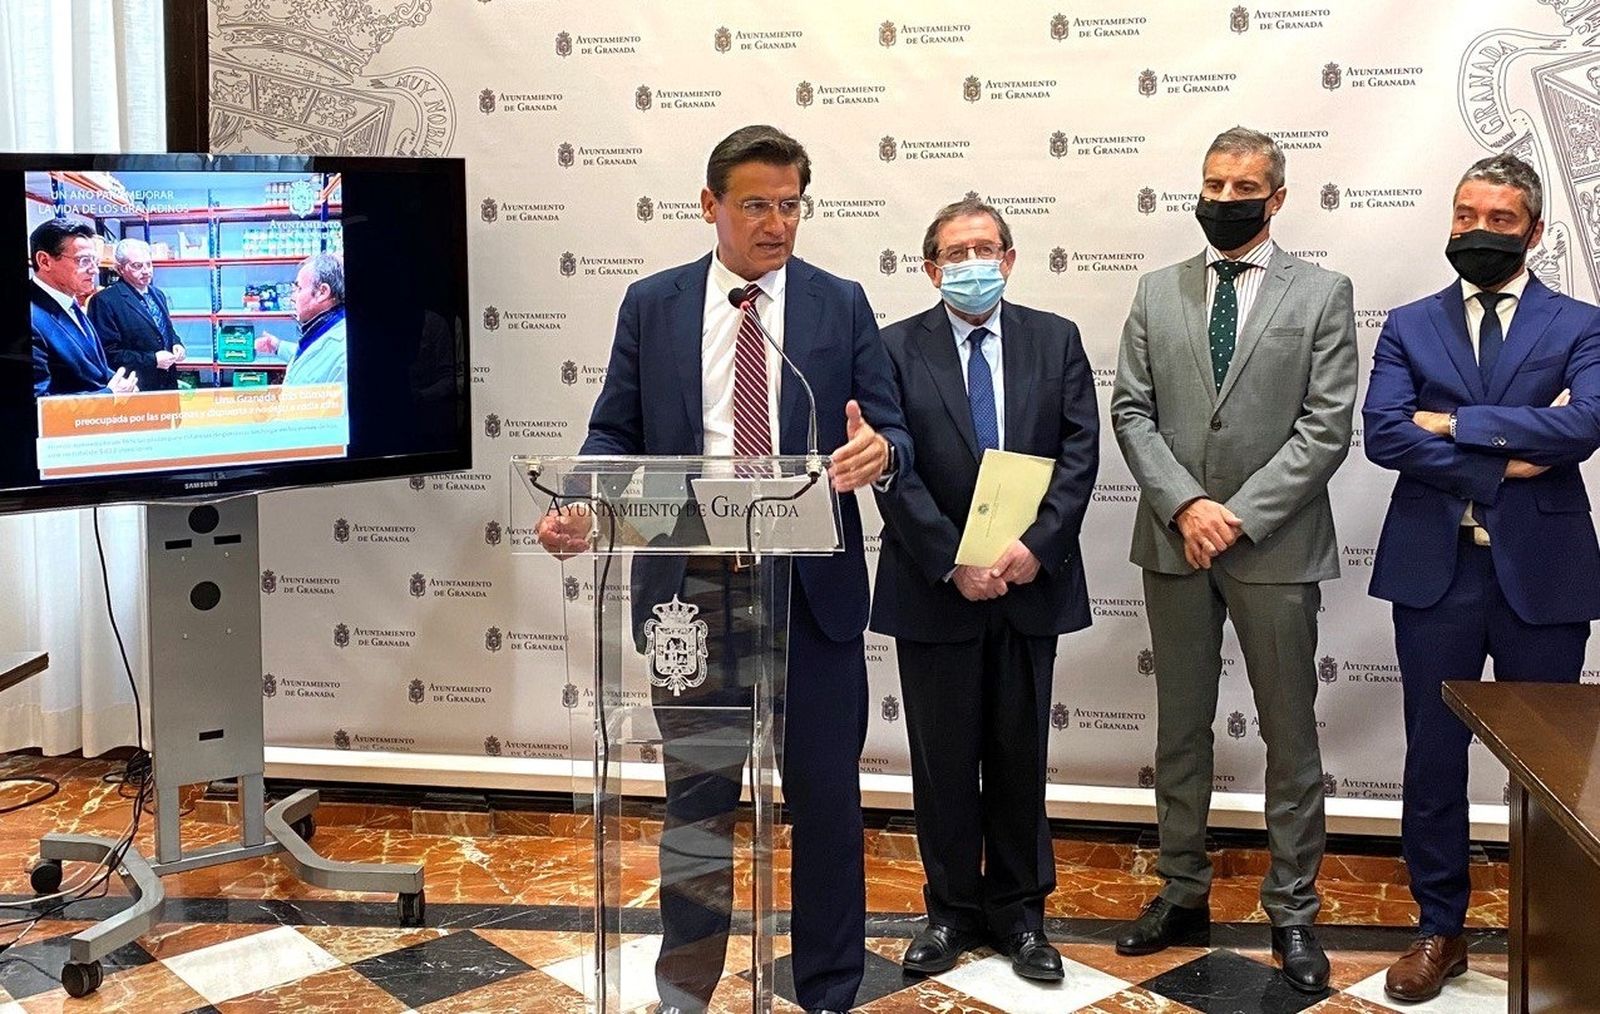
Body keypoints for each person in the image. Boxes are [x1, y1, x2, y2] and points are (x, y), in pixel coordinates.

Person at [536, 125, 911, 1014]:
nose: (776, 225)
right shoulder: (654, 305)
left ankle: (826, 990)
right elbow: (613, 433)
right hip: (690, 593)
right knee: (697, 802)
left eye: (790, 206)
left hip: (807, 592)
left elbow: (889, 431)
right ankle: (685, 991)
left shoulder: (839, 304)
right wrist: (585, 503)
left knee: (824, 801)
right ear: (710, 207)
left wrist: (877, 455)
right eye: (756, 206)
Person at [1109, 126, 1357, 993]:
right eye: (1212, 184)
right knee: (1181, 729)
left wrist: (1237, 515)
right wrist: (1186, 505)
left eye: (1243, 186)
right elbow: (1132, 413)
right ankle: (1182, 892)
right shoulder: (1155, 291)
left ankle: (1293, 908)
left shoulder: (1324, 293)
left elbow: (1326, 427)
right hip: (1175, 544)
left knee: (1290, 735)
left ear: (1277, 198)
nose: (1224, 199)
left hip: (1276, 548)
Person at [1363, 153, 1600, 1003]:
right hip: (1438, 572)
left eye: (1500, 220)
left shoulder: (1580, 322)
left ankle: (1560, 932)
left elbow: (1589, 425)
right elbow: (1386, 434)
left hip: (1545, 572)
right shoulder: (1410, 323)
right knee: (1434, 759)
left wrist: (1458, 422)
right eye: (1466, 215)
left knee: (1553, 765)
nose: (1478, 231)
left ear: (1534, 231)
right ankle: (1440, 929)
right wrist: (1506, 460)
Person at [869, 197, 1097, 984]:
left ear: (1009, 258)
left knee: (1018, 754)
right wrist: (952, 561)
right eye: (956, 252)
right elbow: (889, 466)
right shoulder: (893, 348)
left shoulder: (1055, 339)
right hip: (934, 589)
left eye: (988, 248)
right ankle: (949, 913)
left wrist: (1034, 549)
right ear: (932, 268)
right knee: (940, 762)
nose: (974, 263)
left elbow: (1079, 454)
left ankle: (1023, 917)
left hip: (1030, 585)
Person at [29, 217, 137, 397]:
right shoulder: (32, 317)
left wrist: (119, 382)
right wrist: (109, 394)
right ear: (45, 261)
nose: (95, 270)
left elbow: (92, 367)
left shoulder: (70, 301)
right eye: (84, 260)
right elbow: (38, 404)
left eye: (95, 261)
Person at [89, 238, 186, 391]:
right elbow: (107, 353)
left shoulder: (157, 294)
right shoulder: (104, 301)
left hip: (167, 383)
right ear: (119, 269)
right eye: (137, 266)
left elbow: (165, 329)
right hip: (134, 386)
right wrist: (152, 360)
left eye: (149, 264)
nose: (146, 271)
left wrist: (176, 343)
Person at [255, 253, 347, 385]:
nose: (293, 297)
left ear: (322, 292)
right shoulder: (327, 329)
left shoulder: (342, 355)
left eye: (299, 288)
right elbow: (314, 358)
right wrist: (278, 346)